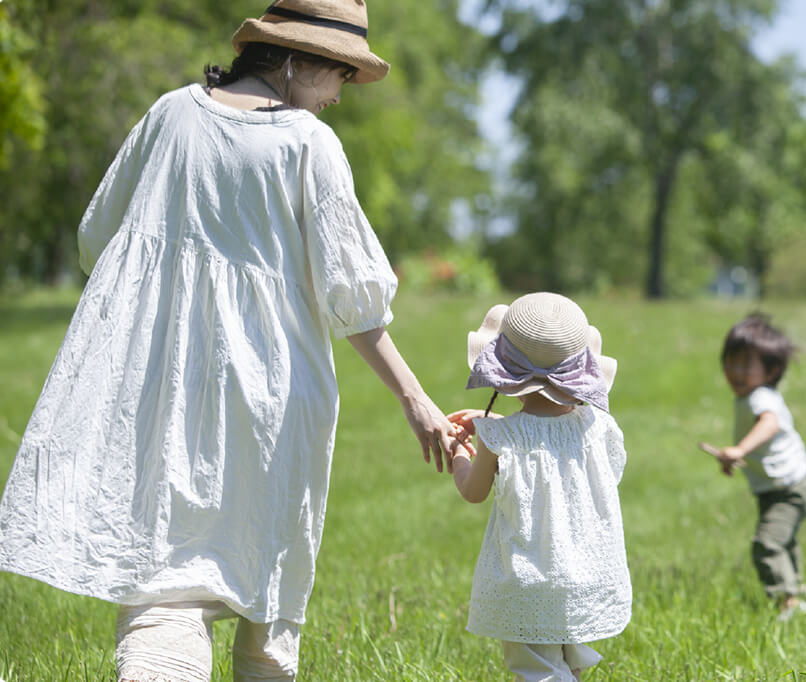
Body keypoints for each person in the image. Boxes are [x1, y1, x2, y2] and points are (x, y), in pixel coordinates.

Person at [0, 1, 464, 679]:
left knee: (167, 574)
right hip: (276, 394)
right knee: (268, 584)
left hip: (162, 382)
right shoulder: (307, 144)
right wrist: (414, 398)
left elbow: (99, 236)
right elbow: (353, 297)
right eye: (340, 75)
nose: (340, 96)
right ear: (298, 60)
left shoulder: (170, 115)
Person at [446, 292, 631, 682]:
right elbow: (582, 460)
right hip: (585, 575)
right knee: (568, 667)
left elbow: (473, 490)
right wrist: (492, 425)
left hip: (529, 580)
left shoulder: (499, 437)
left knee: (539, 674)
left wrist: (460, 451)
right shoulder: (599, 429)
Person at [698, 313, 806, 621]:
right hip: (780, 485)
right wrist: (736, 459)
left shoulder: (760, 398)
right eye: (730, 362)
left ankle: (786, 603)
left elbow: (770, 423)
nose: (735, 372)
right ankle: (797, 594)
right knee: (783, 540)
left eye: (745, 365)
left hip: (788, 487)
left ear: (771, 371)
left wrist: (739, 449)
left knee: (767, 543)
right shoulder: (751, 395)